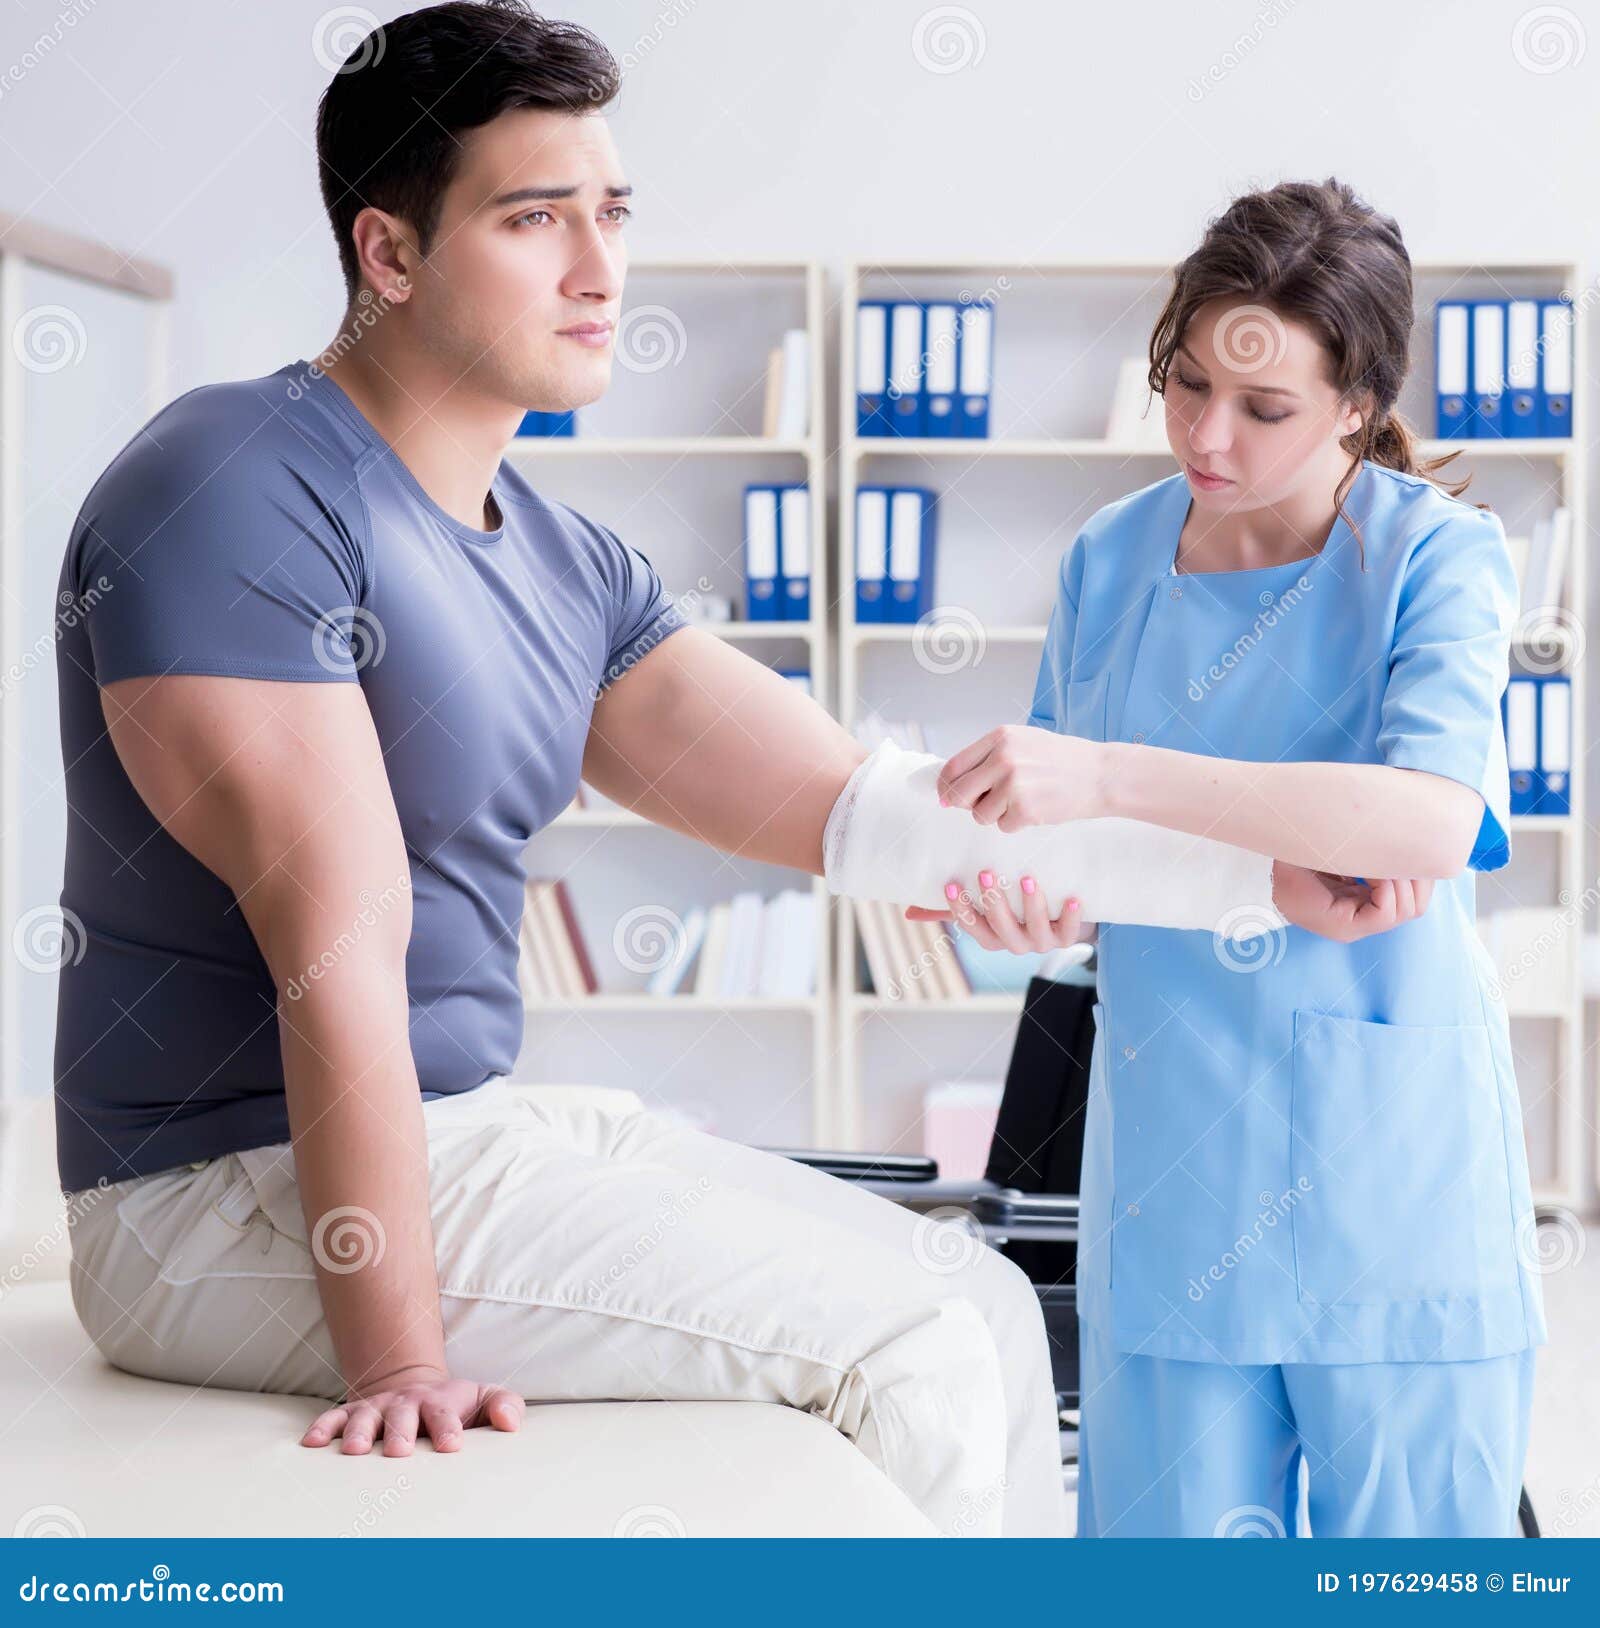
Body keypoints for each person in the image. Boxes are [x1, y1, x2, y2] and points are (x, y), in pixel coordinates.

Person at [53, 4, 1432, 1535]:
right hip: (209, 1195)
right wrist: (399, 1355)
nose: (601, 269)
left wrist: (1256, 874)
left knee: (958, 1291)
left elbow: (868, 811)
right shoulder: (238, 483)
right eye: (534, 220)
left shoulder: (561, 562)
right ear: (389, 254)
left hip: (475, 1119)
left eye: (613, 214)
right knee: (927, 1339)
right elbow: (336, 937)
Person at [928, 178, 1548, 1538]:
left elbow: (1430, 819)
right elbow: (1061, 835)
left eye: (1263, 410)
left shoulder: (1437, 558)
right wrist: (1040, 896)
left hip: (1391, 1180)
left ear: (1353, 401)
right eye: (1185, 384)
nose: (1207, 438)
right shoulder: (1113, 555)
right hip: (1176, 1176)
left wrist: (1111, 779)